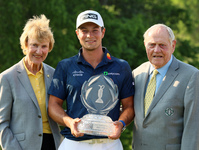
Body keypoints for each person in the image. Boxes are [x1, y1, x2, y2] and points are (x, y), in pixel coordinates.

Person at [48, 10, 134, 150]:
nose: (89, 35)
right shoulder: (65, 66)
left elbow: (129, 106)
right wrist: (69, 122)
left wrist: (121, 123)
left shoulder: (121, 66)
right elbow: (53, 106)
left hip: (110, 144)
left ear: (103, 32)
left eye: (95, 30)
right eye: (84, 30)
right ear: (77, 33)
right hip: (73, 144)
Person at [132, 24, 199, 150]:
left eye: (162, 45)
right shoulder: (137, 73)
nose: (157, 50)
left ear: (172, 46)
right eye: (152, 45)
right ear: (145, 45)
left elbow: (193, 128)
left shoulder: (191, 76)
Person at [0, 14, 62, 150]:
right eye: (35, 45)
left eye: (44, 46)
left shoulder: (54, 74)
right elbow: (2, 124)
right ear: (26, 44)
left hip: (53, 144)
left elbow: (60, 110)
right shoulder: (7, 78)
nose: (39, 51)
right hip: (22, 147)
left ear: (49, 47)